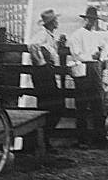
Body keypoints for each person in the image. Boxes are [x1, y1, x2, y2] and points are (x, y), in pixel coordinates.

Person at [69, 6, 108, 149]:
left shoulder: (96, 35)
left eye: (94, 20)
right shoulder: (76, 35)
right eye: (90, 19)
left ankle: (100, 138)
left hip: (94, 69)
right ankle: (82, 140)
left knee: (98, 104)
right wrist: (90, 56)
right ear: (85, 19)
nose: (92, 22)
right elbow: (76, 54)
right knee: (81, 105)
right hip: (82, 70)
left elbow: (105, 47)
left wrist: (101, 57)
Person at [29, 9, 62, 150]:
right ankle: (43, 141)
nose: (57, 22)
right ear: (51, 23)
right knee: (51, 105)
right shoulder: (42, 34)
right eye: (55, 20)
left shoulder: (49, 35)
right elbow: (32, 46)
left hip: (47, 73)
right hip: (43, 74)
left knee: (52, 105)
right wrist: (42, 64)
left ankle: (44, 139)